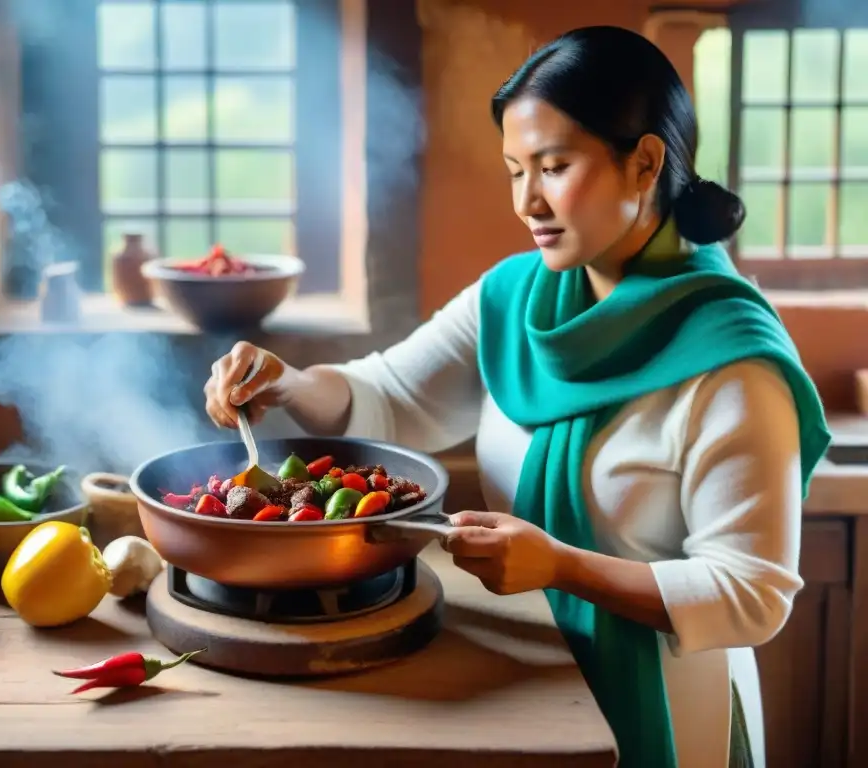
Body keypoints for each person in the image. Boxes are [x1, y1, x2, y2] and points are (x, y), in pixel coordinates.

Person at [203, 25, 830, 768]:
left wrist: (564, 567)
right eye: (513, 170)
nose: (528, 201)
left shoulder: (731, 359)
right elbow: (393, 396)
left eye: (554, 166)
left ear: (645, 163)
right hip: (526, 684)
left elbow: (751, 594)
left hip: (671, 707)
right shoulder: (514, 298)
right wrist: (288, 384)